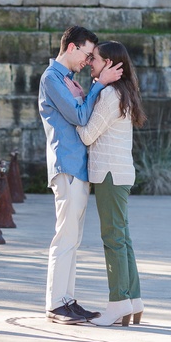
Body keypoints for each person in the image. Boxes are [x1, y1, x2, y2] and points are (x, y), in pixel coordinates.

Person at [38, 26, 123, 325]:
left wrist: (92, 88)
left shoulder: (68, 81)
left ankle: (66, 300)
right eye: (87, 54)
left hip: (79, 168)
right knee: (65, 236)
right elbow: (80, 117)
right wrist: (99, 85)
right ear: (71, 47)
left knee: (73, 238)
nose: (89, 61)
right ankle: (55, 304)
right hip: (67, 167)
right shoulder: (51, 79)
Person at [76, 41, 147, 327]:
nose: (90, 63)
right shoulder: (123, 93)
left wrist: (77, 110)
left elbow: (86, 135)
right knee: (122, 238)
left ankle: (118, 302)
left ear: (109, 64)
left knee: (113, 239)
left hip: (108, 175)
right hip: (118, 175)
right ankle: (133, 299)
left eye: (94, 59)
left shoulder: (108, 95)